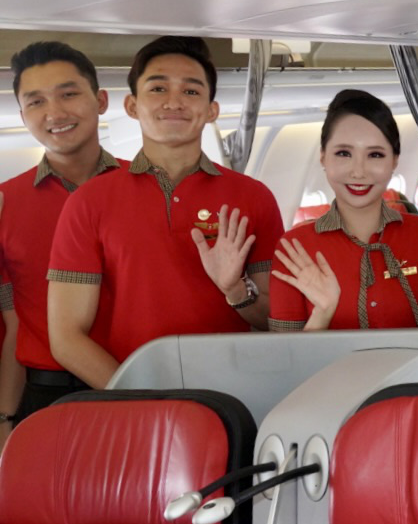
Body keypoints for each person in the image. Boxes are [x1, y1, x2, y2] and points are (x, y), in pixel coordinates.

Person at [48, 36, 283, 389]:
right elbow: (67, 337)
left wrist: (235, 288)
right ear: (132, 105)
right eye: (158, 88)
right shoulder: (89, 201)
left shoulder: (253, 197)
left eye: (191, 92)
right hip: (132, 400)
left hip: (235, 395)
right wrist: (139, 401)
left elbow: (274, 320)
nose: (174, 101)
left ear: (211, 110)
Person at [0, 42, 125, 434]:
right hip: (46, 398)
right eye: (36, 102)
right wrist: (5, 419)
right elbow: (13, 322)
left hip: (139, 384)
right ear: (22, 115)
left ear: (101, 100)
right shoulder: (5, 203)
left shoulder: (146, 189)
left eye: (69, 94)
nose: (54, 113)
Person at [269, 90, 418, 331]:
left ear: (394, 161)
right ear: (322, 157)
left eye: (375, 155)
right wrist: (322, 313)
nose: (358, 172)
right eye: (343, 153)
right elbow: (286, 360)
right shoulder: (295, 249)